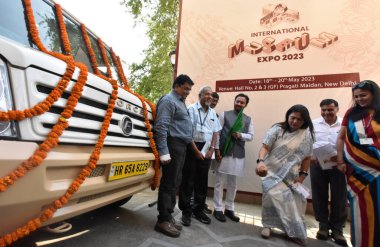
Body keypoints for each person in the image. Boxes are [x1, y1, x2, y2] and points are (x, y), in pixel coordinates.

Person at [256, 104, 314, 246]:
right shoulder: (277, 129)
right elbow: (265, 147)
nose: (294, 122)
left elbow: (307, 158)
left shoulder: (306, 135)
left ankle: (292, 231)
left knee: (291, 203)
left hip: (291, 175)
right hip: (270, 171)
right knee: (270, 197)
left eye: (299, 120)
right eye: (292, 118)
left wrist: (302, 176)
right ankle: (267, 225)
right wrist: (260, 162)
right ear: (287, 116)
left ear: (304, 121)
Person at [337, 80, 380, 247]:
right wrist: (340, 160)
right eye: (356, 96)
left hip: (378, 166)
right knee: (363, 213)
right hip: (358, 170)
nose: (360, 99)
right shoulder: (352, 113)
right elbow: (341, 137)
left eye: (363, 95)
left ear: (374, 94)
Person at [154, 74, 194, 238]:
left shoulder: (180, 102)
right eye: (185, 88)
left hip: (181, 147)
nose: (187, 92)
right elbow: (161, 127)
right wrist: (164, 152)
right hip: (172, 145)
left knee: (175, 182)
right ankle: (162, 220)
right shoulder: (168, 100)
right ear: (176, 85)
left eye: (189, 90)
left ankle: (168, 216)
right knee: (168, 183)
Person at [179, 86, 221, 226]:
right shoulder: (191, 109)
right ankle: (186, 212)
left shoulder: (213, 113)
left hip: (207, 149)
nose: (209, 96)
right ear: (200, 95)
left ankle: (198, 211)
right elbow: (187, 131)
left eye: (211, 94)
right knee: (188, 181)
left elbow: (215, 133)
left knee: (202, 182)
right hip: (193, 147)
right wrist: (195, 150)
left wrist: (212, 150)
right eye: (206, 94)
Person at [311, 99, 348, 246]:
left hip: (338, 165)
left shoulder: (345, 124)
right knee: (319, 194)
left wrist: (341, 157)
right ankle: (323, 226)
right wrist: (312, 155)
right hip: (317, 164)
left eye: (330, 110)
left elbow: (351, 143)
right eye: (323, 110)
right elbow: (308, 141)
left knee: (340, 196)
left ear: (337, 109)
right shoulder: (313, 124)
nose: (326, 112)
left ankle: (337, 229)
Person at [213, 93, 254, 222]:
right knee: (219, 181)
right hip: (224, 152)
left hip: (238, 154)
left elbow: (251, 136)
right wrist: (217, 149)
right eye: (237, 101)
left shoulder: (248, 119)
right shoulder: (225, 114)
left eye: (242, 102)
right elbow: (217, 133)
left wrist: (241, 135)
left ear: (246, 105)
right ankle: (218, 208)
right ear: (234, 101)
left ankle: (229, 208)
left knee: (233, 183)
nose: (239, 104)